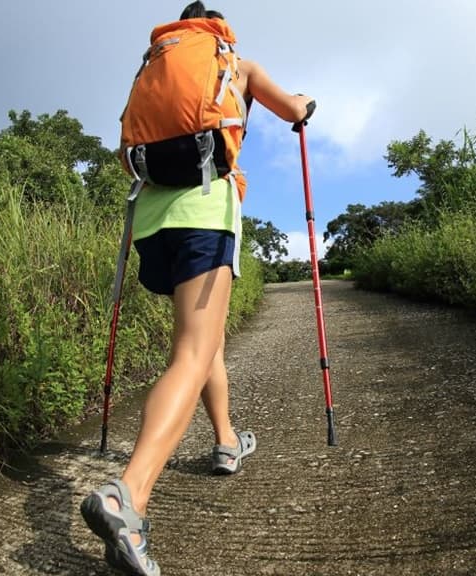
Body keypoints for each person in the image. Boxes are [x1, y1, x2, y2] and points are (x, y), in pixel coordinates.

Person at [79, 3, 314, 575]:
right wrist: (304, 104)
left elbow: (124, 153)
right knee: (192, 350)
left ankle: (227, 441)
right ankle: (126, 498)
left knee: (198, 344)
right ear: (218, 28)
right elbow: (294, 110)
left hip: (153, 221)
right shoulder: (238, 64)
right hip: (208, 209)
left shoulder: (153, 69)